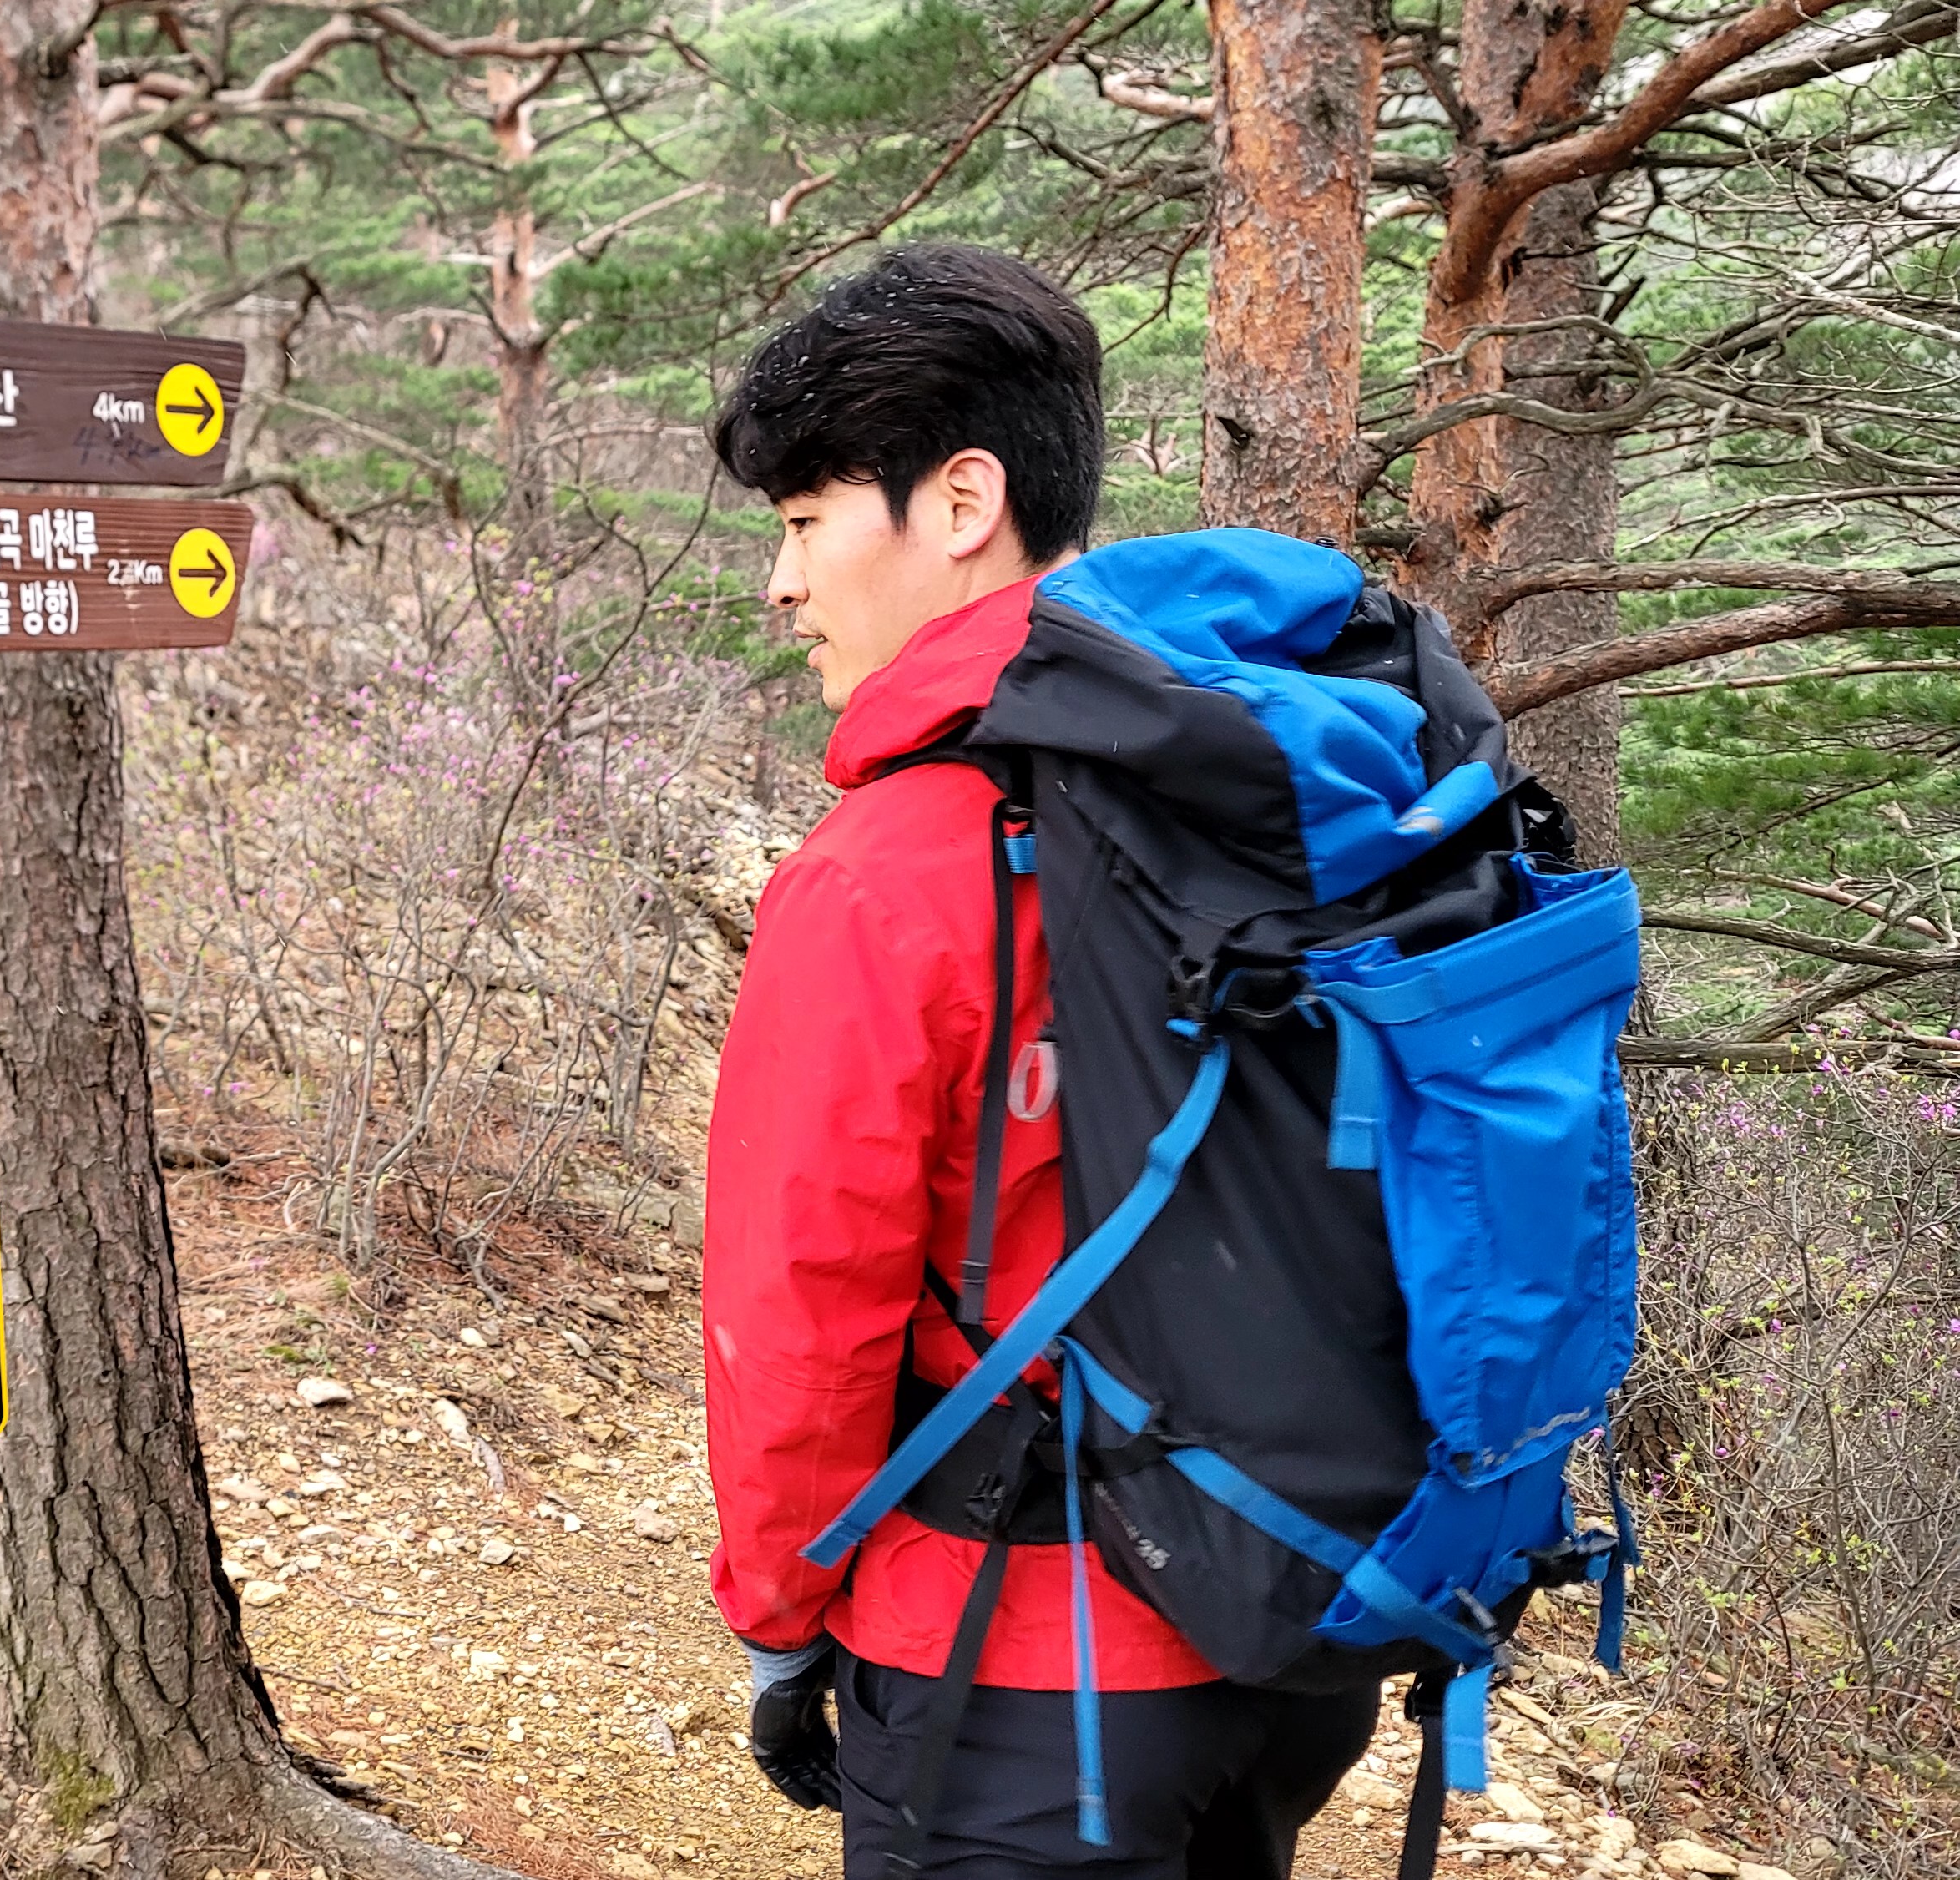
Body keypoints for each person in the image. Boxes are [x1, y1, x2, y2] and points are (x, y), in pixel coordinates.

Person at [700, 245, 1380, 1877]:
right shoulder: (1274, 786)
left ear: (959, 503)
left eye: (804, 521)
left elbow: (800, 1308)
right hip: (1289, 1614)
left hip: (1017, 1669)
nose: (782, 583)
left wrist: (780, 1618)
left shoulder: (878, 876)